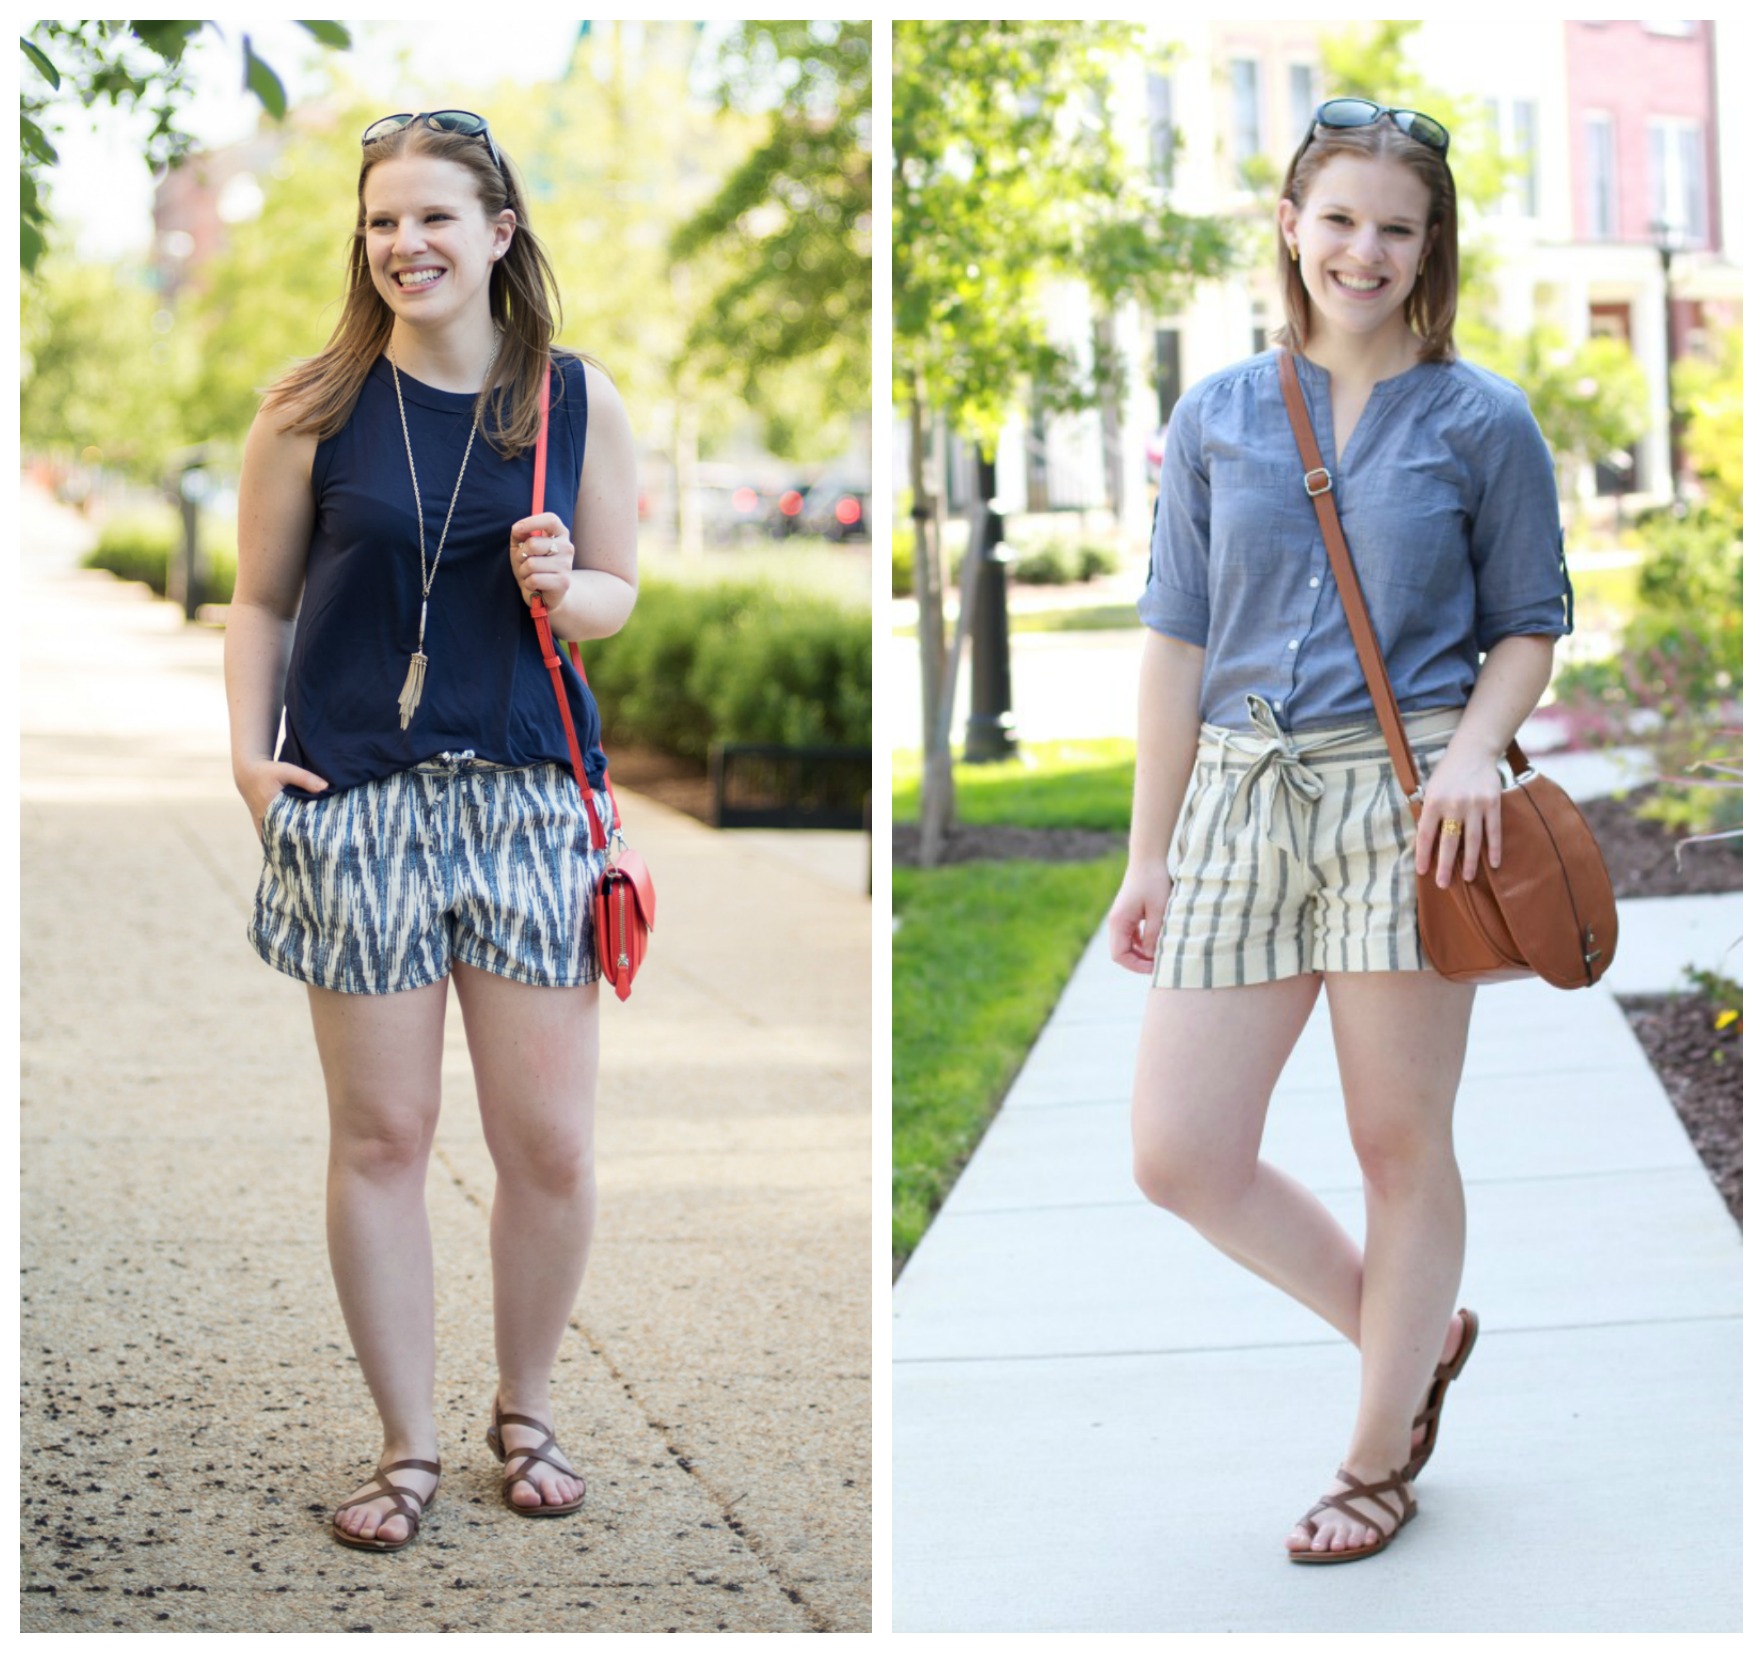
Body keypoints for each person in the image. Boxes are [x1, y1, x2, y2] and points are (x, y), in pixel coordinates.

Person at [1108, 99, 1571, 1564]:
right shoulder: (1217, 415)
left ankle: (1376, 1457)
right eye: (1341, 219)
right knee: (1180, 1149)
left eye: (1396, 226)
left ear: (1430, 247)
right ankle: (1413, 1333)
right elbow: (1176, 643)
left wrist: (1478, 755)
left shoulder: (1481, 420)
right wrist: (1148, 848)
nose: (1363, 249)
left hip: (1410, 803)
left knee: (1394, 1135)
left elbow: (1529, 624)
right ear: (1293, 227)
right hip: (1244, 798)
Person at [224, 109, 640, 1552]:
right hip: (359, 797)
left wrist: (565, 582)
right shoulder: (311, 407)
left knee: (551, 1144)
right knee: (384, 1133)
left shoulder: (571, 401)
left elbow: (617, 602)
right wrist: (247, 756)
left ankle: (524, 1411)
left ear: (499, 232)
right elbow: (262, 602)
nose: (406, 243)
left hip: (527, 797)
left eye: (436, 218)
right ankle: (405, 1444)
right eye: (384, 220)